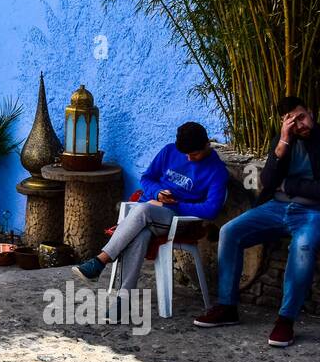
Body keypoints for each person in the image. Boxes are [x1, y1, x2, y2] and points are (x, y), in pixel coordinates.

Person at [193, 96, 320, 347]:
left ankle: (285, 320)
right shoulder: (284, 142)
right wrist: (282, 142)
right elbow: (268, 181)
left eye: (301, 117)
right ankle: (227, 307)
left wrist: (287, 184)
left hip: (316, 213)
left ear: (310, 113)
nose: (298, 124)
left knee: (302, 246)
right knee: (229, 231)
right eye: (291, 121)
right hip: (277, 207)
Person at [72, 122, 228, 297]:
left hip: (176, 218)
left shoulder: (217, 171)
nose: (189, 159)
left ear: (207, 144)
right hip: (148, 212)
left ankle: (101, 260)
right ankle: (122, 300)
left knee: (142, 211)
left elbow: (211, 209)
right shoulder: (169, 151)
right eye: (186, 155)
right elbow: (147, 178)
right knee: (141, 234)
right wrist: (158, 193)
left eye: (195, 154)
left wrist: (171, 204)